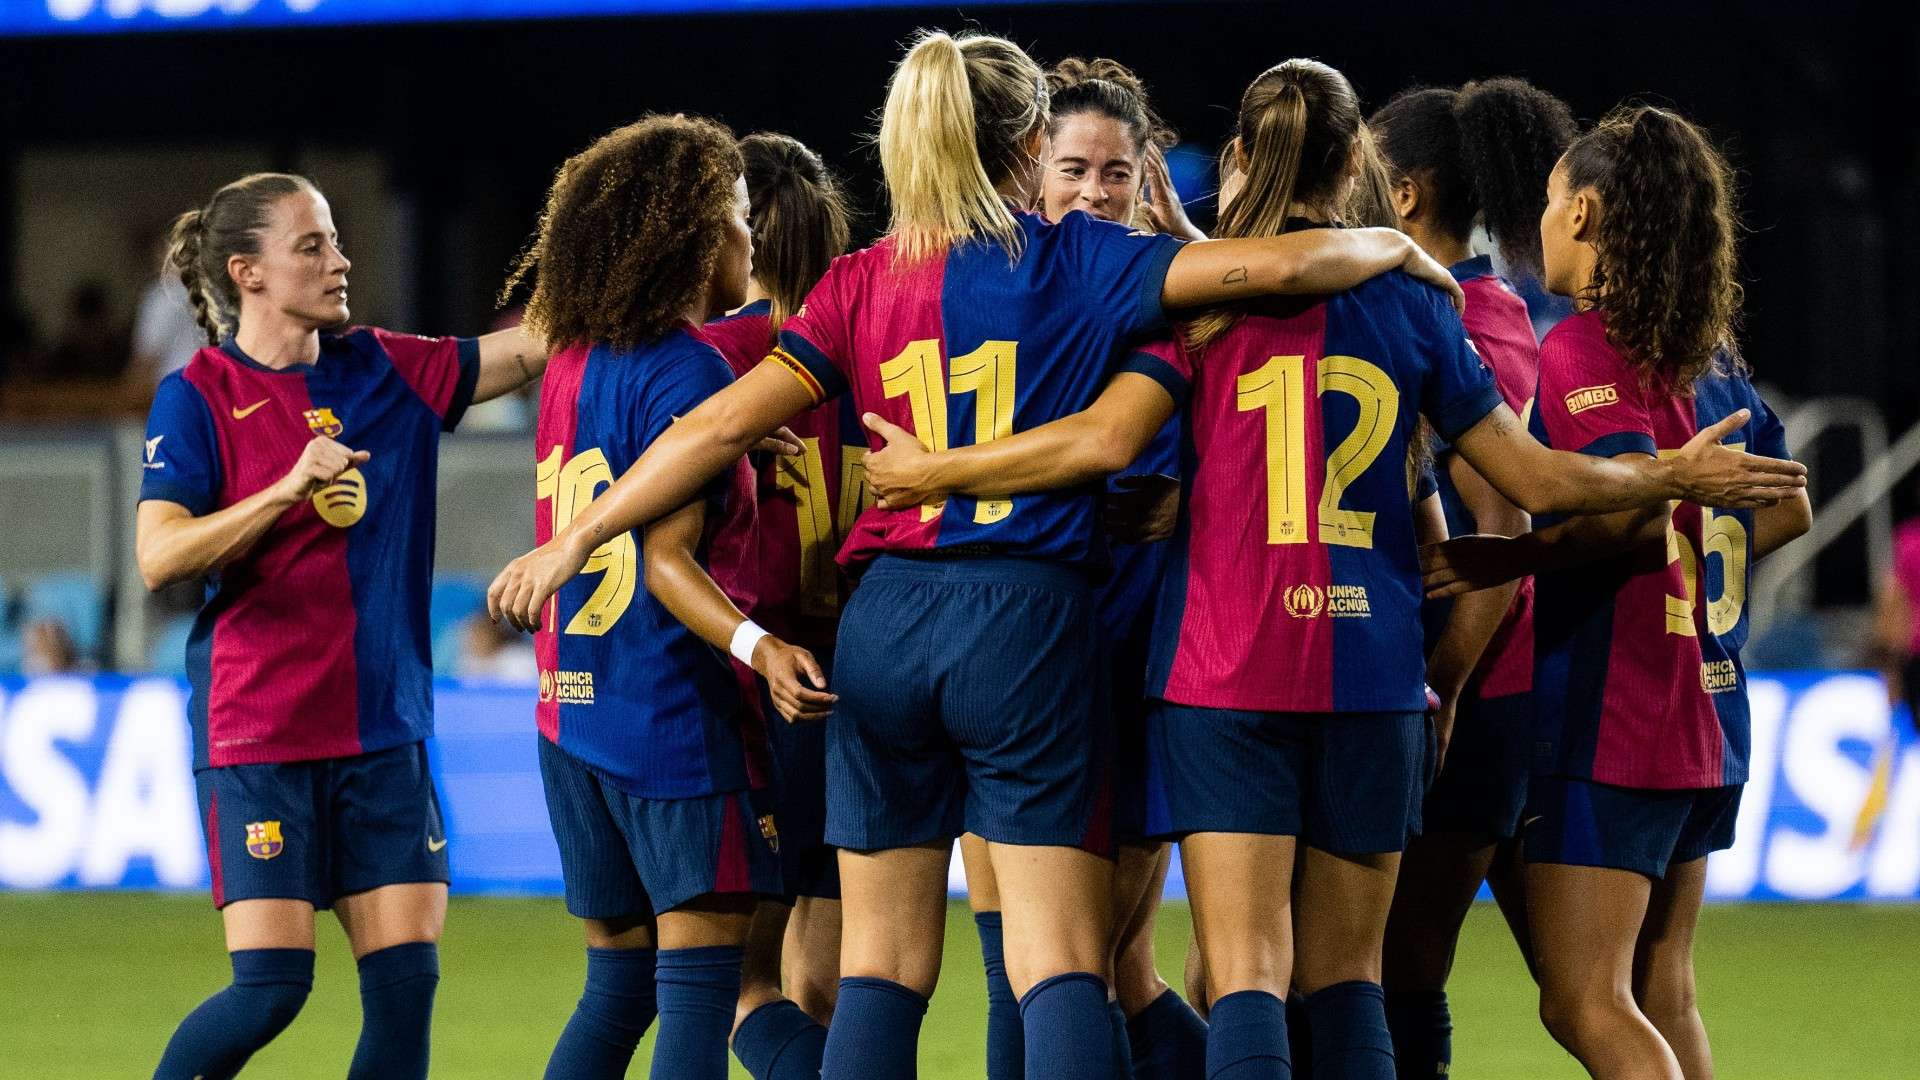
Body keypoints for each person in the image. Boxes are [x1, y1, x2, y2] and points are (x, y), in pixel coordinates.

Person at [487, 30, 1478, 1080]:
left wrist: (579, 537)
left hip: (885, 623)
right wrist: (1401, 249)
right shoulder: (1088, 260)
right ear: (1031, 140)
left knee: (880, 966)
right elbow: (1285, 265)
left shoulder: (861, 280)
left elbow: (713, 430)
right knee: (1059, 959)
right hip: (1028, 621)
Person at [851, 60, 1804, 1080]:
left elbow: (1106, 440)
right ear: (1355, 160)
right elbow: (1532, 480)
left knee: (1246, 969)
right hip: (1373, 674)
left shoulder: (1192, 311)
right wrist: (1672, 474)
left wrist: (947, 475)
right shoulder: (1418, 306)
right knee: (1354, 979)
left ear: (1243, 158)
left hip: (1223, 670)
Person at [1422, 105, 1812, 1080]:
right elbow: (1790, 511)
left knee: (1583, 999)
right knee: (1662, 984)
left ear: (1587, 212)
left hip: (1618, 720)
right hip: (1712, 714)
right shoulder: (1711, 366)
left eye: (1553, 200)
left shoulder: (1588, 352)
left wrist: (1509, 560)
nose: (1543, 219)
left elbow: (1631, 514)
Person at [136, 171, 548, 1080]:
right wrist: (285, 489)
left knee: (404, 998)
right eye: (312, 245)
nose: (340, 259)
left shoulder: (384, 367)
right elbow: (161, 556)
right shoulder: (197, 396)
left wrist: (618, 259)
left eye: (336, 239)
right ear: (248, 272)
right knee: (271, 989)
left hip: (383, 729)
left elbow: (528, 352)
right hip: (261, 734)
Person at [500, 115, 834, 1080]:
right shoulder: (693, 365)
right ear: (693, 233)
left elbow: (633, 469)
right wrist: (759, 647)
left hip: (573, 718)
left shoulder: (571, 359)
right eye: (736, 216)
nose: (749, 237)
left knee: (615, 993)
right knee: (698, 992)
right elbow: (665, 562)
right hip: (673, 724)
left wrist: (735, 461)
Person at [942, 55, 1209, 1080]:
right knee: (1029, 956)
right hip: (1012, 650)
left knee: (1093, 963)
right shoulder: (1001, 295)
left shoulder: (1174, 304)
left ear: (1148, 179)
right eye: (1071, 168)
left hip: (1135, 654)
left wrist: (1190, 499)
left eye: (1114, 172)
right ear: (1030, 172)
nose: (1091, 191)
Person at [1367, 77, 1577, 1079]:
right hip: (1515, 687)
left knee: (1396, 972)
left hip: (1477, 692)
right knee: (1587, 993)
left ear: (1403, 196)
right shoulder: (1495, 312)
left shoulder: (1456, 325)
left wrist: (1443, 688)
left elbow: (1500, 529)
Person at [698, 130, 859, 1080]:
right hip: (861, 681)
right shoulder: (880, 342)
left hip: (751, 688)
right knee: (834, 991)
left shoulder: (716, 360)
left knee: (742, 990)